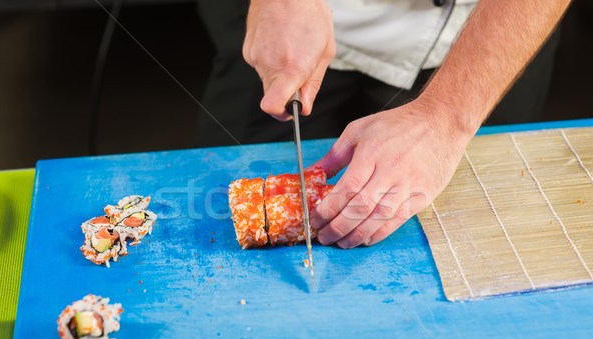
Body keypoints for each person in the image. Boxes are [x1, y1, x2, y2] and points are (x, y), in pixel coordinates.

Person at [196, 0, 569, 248]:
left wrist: (446, 117)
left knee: (484, 219)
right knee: (221, 170)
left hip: (486, 29)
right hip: (294, 22)